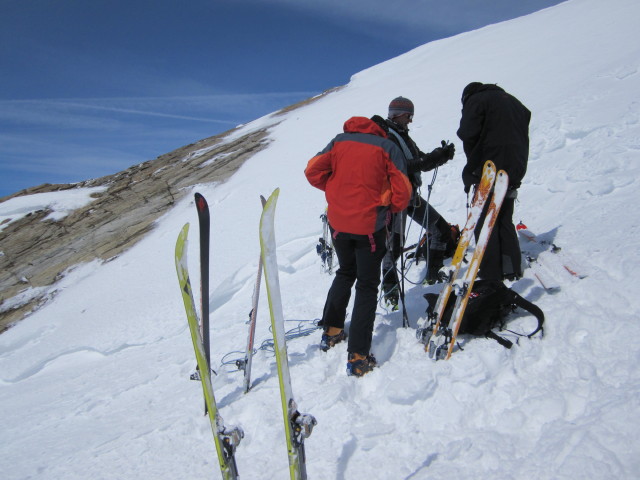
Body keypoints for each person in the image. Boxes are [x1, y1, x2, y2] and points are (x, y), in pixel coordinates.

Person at [304, 116, 412, 376]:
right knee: (366, 284)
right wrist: (390, 207)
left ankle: (331, 331)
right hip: (369, 227)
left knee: (345, 271)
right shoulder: (387, 147)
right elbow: (403, 191)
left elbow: (312, 171)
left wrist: (335, 192)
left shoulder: (339, 142)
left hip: (338, 223)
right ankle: (358, 356)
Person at [370, 97, 457, 307]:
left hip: (409, 196)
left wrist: (439, 156)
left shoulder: (401, 136)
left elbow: (418, 159)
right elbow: (404, 166)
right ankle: (391, 292)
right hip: (396, 199)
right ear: (398, 114)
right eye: (409, 116)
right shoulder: (389, 137)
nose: (410, 120)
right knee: (394, 246)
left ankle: (432, 277)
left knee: (440, 230)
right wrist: (435, 158)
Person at [456, 82, 531, 281]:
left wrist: (474, 167)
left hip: (490, 168)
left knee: (485, 222)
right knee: (504, 217)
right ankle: (510, 267)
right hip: (515, 168)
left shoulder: (476, 100)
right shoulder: (515, 103)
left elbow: (467, 132)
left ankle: (491, 273)